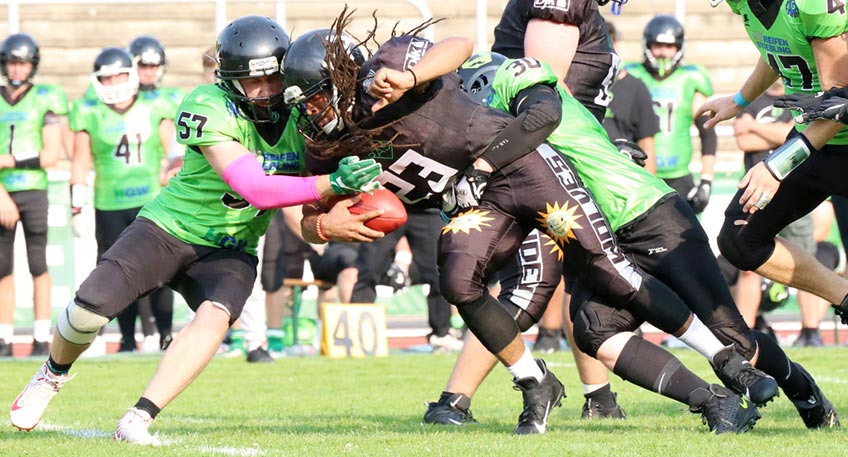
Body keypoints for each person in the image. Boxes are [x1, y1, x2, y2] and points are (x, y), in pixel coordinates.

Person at [284, 17, 761, 434]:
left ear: (341, 80)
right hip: (473, 199)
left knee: (608, 269)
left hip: (519, 168)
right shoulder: (327, 146)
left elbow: (459, 45)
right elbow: (308, 217)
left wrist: (410, 76)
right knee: (457, 280)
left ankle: (721, 357)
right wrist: (326, 226)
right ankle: (536, 381)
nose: (308, 113)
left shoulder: (386, 73)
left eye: (312, 100)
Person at [8, 15, 382, 443]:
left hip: (231, 245)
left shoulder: (302, 121)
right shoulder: (207, 104)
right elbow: (254, 187)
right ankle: (52, 373)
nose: (265, 92)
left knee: (217, 315)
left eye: (273, 80)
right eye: (252, 83)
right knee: (86, 313)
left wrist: (328, 225)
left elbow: (304, 221)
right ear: (230, 81)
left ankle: (139, 417)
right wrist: (330, 182)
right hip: (169, 229)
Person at [449, 53, 836, 431]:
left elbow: (544, 117)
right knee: (594, 330)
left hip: (647, 215)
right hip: (596, 238)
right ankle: (714, 402)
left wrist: (483, 167)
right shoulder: (501, 139)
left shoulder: (518, 87)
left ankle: (803, 389)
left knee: (731, 340)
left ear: (482, 88)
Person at [490, 0, 627, 417]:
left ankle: (599, 397)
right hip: (545, 158)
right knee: (528, 285)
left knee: (578, 277)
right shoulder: (558, 5)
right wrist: (596, 149)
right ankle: (454, 399)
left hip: (551, 155)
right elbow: (544, 88)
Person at [697, 0, 848, 339]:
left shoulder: (810, 6)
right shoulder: (749, 6)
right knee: (739, 239)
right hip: (816, 144)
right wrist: (738, 101)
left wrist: (778, 165)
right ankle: (844, 296)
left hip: (835, 135)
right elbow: (776, 51)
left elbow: (841, 104)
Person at [69, 46, 175, 354]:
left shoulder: (156, 105)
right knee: (118, 272)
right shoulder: (89, 111)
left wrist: (173, 176)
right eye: (107, 78)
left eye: (119, 76)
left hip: (152, 201)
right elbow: (79, 161)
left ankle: (166, 335)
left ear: (130, 74)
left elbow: (174, 153)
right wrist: (77, 204)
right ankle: (128, 339)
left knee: (162, 268)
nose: (114, 83)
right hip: (108, 202)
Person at [731, 80, 832, 347]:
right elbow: (743, 138)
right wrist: (779, 134)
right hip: (757, 190)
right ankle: (745, 332)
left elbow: (803, 133)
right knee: (747, 261)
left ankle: (811, 332)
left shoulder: (801, 97)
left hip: (795, 185)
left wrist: (756, 128)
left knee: (806, 258)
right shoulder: (752, 99)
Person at [0, 33, 68, 357]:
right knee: (2, 266)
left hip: (34, 188)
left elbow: (51, 154)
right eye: (13, 61)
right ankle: (4, 337)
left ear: (33, 65)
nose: (17, 68)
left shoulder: (46, 97)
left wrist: (8, 161)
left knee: (37, 263)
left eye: (23, 62)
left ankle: (42, 335)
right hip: (2, 191)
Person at [625, 15, 716, 214]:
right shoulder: (632, 74)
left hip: (679, 176)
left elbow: (707, 132)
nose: (663, 53)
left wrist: (706, 179)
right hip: (639, 171)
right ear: (647, 45)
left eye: (669, 46)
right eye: (657, 45)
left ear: (679, 47)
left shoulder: (690, 78)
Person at [602, 20, 659, 175]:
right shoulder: (573, 87)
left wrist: (649, 192)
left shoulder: (636, 88)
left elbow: (647, 146)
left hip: (623, 178)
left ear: (615, 46)